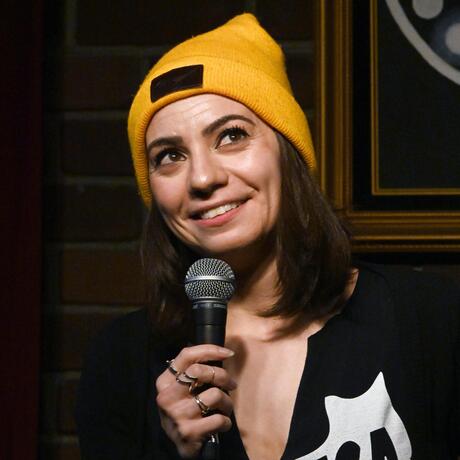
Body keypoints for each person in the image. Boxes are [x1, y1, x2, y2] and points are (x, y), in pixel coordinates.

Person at [76, 13, 460, 460]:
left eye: (231, 136)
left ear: (287, 151)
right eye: (170, 156)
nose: (202, 178)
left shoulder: (428, 318)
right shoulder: (120, 362)